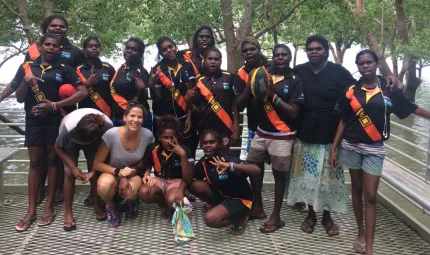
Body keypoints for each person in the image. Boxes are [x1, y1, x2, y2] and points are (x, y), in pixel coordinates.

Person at [286, 35, 399, 236]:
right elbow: (279, 75)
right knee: (309, 179)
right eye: (310, 49)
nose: (314, 51)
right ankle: (311, 214)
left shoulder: (338, 72)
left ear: (327, 51)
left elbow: (362, 84)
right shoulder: (299, 71)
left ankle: (327, 216)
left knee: (330, 179)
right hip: (305, 135)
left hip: (331, 137)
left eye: (318, 48)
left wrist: (386, 79)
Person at [330, 49, 430, 254]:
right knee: (356, 190)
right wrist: (333, 149)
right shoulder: (351, 90)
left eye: (369, 62)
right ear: (357, 67)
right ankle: (360, 232)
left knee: (371, 197)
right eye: (361, 63)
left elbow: (412, 109)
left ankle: (370, 247)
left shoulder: (389, 90)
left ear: (376, 64)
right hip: (351, 146)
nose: (365, 66)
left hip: (374, 149)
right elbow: (343, 120)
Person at [13, 33, 88, 231]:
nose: (51, 48)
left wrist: (55, 105)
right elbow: (20, 98)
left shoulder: (65, 68)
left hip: (57, 120)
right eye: (47, 44)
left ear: (60, 48)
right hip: (34, 121)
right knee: (35, 162)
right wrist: (25, 81)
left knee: (54, 161)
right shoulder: (27, 67)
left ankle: (48, 207)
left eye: (55, 46)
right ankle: (30, 210)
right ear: (41, 45)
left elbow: (83, 92)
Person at [241, 44, 304, 233]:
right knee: (252, 167)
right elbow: (250, 104)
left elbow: (293, 112)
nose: (280, 58)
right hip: (261, 132)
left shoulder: (295, 80)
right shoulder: (263, 74)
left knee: (278, 174)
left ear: (290, 57)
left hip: (283, 134)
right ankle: (258, 207)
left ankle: (276, 216)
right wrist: (252, 89)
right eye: (277, 55)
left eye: (284, 55)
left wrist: (272, 95)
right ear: (272, 57)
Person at [94, 103, 154, 227]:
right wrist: (119, 173)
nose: (135, 120)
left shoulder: (148, 135)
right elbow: (97, 164)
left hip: (134, 173)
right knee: (104, 185)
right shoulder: (111, 134)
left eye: (140, 117)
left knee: (131, 191)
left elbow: (150, 160)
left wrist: (147, 173)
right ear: (125, 118)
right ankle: (110, 207)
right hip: (113, 171)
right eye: (132, 116)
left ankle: (131, 203)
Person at [0, 14, 85, 103]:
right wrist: (1, 96)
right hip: (35, 102)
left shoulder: (76, 51)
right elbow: (21, 77)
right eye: (53, 25)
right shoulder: (34, 49)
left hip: (64, 105)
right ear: (46, 28)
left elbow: (85, 78)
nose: (58, 28)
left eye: (62, 26)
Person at [190, 129, 260, 235]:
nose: (208, 145)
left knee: (210, 219)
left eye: (212, 142)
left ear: (219, 144)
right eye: (205, 143)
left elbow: (256, 169)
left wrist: (230, 166)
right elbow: (191, 179)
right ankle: (223, 210)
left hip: (241, 200)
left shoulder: (227, 158)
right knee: (193, 185)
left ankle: (241, 217)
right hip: (224, 196)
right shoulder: (204, 162)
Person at [54, 109, 113, 231]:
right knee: (69, 173)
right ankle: (68, 213)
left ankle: (97, 204)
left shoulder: (107, 126)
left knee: (95, 169)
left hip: (95, 141)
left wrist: (93, 171)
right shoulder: (68, 128)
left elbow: (105, 149)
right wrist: (73, 167)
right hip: (71, 141)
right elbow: (58, 148)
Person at [234, 37, 269, 220]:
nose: (249, 53)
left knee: (283, 168)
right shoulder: (241, 73)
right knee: (256, 167)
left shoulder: (271, 66)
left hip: (280, 127)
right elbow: (239, 104)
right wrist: (250, 86)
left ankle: (296, 200)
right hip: (256, 127)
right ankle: (258, 202)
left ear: (258, 49)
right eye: (246, 50)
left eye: (252, 49)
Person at [184, 47, 240, 152]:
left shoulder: (230, 77)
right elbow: (196, 108)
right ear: (204, 60)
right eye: (210, 59)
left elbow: (235, 103)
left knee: (224, 158)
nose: (213, 62)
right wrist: (187, 101)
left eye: (216, 59)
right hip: (205, 127)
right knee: (209, 159)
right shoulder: (199, 80)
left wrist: (236, 125)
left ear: (221, 61)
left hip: (224, 127)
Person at [138, 115, 194, 219]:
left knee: (173, 198)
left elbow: (188, 178)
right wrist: (147, 174)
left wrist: (183, 156)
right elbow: (147, 162)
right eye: (165, 137)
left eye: (172, 137)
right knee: (143, 192)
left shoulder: (184, 149)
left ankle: (173, 203)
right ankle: (166, 206)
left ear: (177, 137)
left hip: (178, 182)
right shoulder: (154, 148)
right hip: (160, 180)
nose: (169, 141)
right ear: (159, 137)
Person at [148, 36, 195, 154]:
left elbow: (191, 93)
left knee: (184, 151)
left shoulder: (187, 65)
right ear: (161, 53)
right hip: (162, 119)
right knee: (162, 153)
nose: (169, 50)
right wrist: (151, 85)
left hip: (183, 118)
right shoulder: (157, 69)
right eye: (164, 49)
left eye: (170, 46)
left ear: (175, 47)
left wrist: (190, 116)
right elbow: (157, 98)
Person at [110, 38, 152, 130]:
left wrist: (141, 89)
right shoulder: (121, 68)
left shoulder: (141, 72)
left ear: (140, 54)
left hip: (135, 118)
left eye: (134, 49)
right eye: (127, 48)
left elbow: (141, 98)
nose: (129, 51)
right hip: (118, 117)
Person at [76, 36, 115, 117]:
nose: (94, 48)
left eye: (96, 46)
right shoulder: (78, 69)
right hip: (84, 113)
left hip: (105, 113)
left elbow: (114, 90)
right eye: (90, 46)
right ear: (84, 50)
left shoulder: (108, 68)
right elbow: (72, 91)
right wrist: (86, 85)